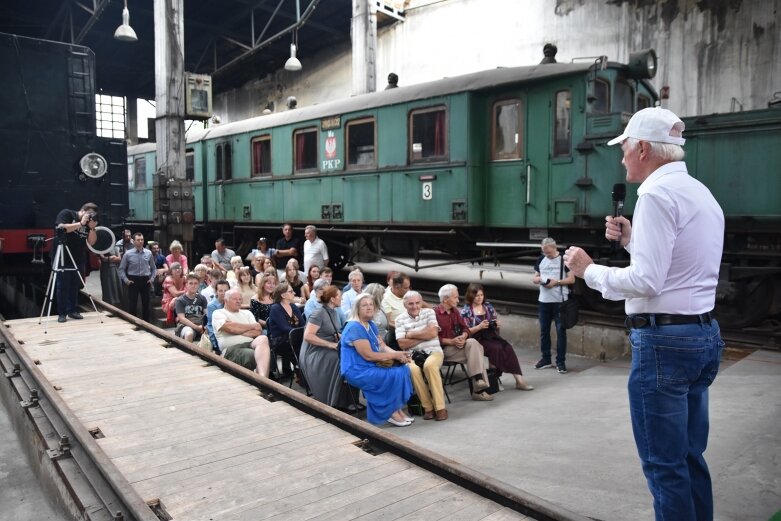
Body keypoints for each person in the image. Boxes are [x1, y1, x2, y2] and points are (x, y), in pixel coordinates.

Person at [564, 107, 724, 521]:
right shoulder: (700, 193)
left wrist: (588, 270)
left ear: (643, 149)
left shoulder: (654, 194)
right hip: (703, 336)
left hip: (665, 345)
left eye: (625, 150)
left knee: (663, 467)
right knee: (689, 459)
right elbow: (678, 268)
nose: (622, 158)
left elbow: (648, 281)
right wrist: (635, 239)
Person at [340, 293, 414, 426]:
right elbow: (368, 355)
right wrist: (395, 355)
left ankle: (395, 408)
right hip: (357, 370)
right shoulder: (354, 327)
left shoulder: (370, 324)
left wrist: (400, 354)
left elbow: (383, 346)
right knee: (395, 374)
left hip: (370, 366)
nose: (369, 307)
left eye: (371, 304)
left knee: (404, 370)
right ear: (357, 308)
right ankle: (389, 412)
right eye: (364, 305)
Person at [461, 283, 533, 390]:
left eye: (481, 295)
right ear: (471, 295)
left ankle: (519, 381)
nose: (480, 298)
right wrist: (479, 327)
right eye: (477, 296)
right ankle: (494, 379)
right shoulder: (466, 311)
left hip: (491, 335)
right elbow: (465, 331)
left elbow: (494, 320)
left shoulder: (488, 306)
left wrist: (496, 324)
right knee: (496, 349)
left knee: (507, 347)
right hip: (476, 339)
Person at [299, 286, 357, 410]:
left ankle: (348, 399)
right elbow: (308, 336)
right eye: (339, 296)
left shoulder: (333, 312)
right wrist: (329, 344)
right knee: (340, 360)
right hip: (314, 351)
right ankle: (335, 400)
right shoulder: (318, 313)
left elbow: (333, 331)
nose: (341, 299)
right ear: (332, 299)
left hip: (326, 347)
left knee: (351, 355)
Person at [434, 284, 493, 401]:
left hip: (458, 346)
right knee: (477, 351)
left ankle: (478, 382)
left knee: (473, 343)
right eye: (455, 297)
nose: (458, 300)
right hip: (444, 350)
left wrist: (463, 336)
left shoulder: (455, 311)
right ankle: (479, 388)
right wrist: (451, 341)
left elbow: (465, 328)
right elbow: (432, 337)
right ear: (446, 299)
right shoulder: (434, 314)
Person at [395, 290, 447, 421]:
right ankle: (428, 407)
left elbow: (433, 333)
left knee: (429, 366)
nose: (415, 306)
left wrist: (410, 334)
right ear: (405, 305)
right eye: (411, 304)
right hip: (411, 355)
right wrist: (424, 335)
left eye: (418, 303)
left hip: (433, 351)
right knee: (413, 369)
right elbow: (402, 344)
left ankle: (440, 408)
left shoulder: (429, 312)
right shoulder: (399, 319)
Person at [533, 237, 575, 374]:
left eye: (549, 253)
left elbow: (571, 279)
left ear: (554, 248)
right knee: (544, 332)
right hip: (544, 301)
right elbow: (535, 277)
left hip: (559, 301)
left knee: (560, 332)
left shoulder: (564, 260)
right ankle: (546, 359)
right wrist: (538, 279)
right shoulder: (541, 260)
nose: (547, 255)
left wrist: (556, 282)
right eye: (544, 253)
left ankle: (560, 362)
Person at [53, 202, 99, 322]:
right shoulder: (67, 213)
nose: (90, 218)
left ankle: (73, 310)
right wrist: (81, 223)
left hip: (78, 257)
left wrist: (92, 227)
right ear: (82, 211)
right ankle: (62, 313)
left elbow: (92, 242)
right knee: (62, 286)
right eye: (89, 214)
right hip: (63, 256)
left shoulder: (89, 223)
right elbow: (61, 227)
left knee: (75, 286)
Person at [213, 288, 272, 376]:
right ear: (226, 300)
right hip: (232, 349)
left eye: (240, 299)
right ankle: (264, 380)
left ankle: (263, 378)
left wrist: (237, 330)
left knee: (263, 338)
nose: (238, 301)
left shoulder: (247, 313)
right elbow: (230, 328)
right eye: (235, 299)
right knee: (258, 355)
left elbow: (257, 332)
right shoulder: (219, 313)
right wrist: (251, 326)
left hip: (251, 344)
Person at [267, 282, 306, 378]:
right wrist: (302, 334)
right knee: (301, 346)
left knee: (308, 344)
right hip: (280, 340)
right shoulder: (275, 308)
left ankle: (304, 371)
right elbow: (285, 328)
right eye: (291, 291)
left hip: (294, 337)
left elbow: (303, 324)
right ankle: (302, 371)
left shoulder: (293, 306)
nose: (294, 293)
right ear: (283, 295)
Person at [118, 232, 156, 322]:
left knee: (146, 304)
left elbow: (154, 268)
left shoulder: (148, 253)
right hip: (133, 280)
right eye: (138, 240)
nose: (140, 241)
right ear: (133, 241)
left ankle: (147, 324)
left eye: (142, 240)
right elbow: (121, 269)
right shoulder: (128, 254)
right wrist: (126, 280)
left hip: (145, 280)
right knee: (132, 304)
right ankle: (133, 323)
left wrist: (152, 279)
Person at [175, 274, 208, 342]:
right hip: (186, 326)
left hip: (201, 325)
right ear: (186, 285)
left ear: (198, 285)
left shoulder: (202, 298)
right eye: (191, 283)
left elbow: (207, 314)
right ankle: (188, 352)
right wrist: (196, 328)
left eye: (195, 283)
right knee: (189, 334)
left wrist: (205, 326)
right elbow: (182, 319)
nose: (193, 286)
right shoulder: (180, 300)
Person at [202, 279, 230, 355]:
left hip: (230, 331)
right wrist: (215, 343)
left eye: (226, 290)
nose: (223, 293)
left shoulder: (231, 302)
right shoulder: (212, 305)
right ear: (216, 292)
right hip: (217, 333)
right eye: (220, 291)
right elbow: (213, 326)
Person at [98, 240, 123, 307]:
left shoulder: (115, 247)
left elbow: (119, 259)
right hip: (106, 269)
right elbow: (103, 258)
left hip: (115, 269)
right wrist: (110, 258)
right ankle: (108, 304)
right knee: (108, 286)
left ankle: (118, 304)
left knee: (116, 285)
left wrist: (109, 259)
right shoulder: (101, 248)